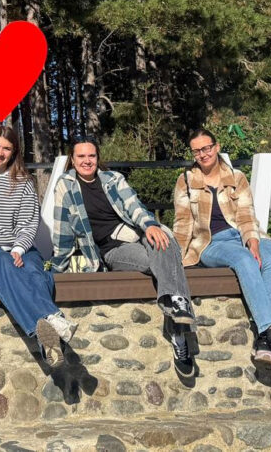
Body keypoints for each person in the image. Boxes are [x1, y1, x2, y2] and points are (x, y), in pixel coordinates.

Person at [51, 138, 197, 378]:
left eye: (91, 156)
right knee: (160, 261)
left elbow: (134, 206)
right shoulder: (65, 186)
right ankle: (179, 331)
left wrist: (150, 225)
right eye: (81, 156)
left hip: (137, 234)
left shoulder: (113, 179)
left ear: (98, 158)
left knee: (164, 239)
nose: (87, 161)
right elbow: (62, 230)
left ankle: (178, 308)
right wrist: (56, 267)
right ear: (73, 160)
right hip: (114, 248)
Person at [173, 128, 271, 375]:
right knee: (244, 259)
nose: (202, 154)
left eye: (206, 148)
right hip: (210, 243)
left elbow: (246, 214)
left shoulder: (236, 177)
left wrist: (253, 241)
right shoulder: (185, 181)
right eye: (196, 151)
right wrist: (175, 257)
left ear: (216, 147)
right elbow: (183, 223)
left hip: (243, 235)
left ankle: (263, 341)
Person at [0, 125, 75, 368]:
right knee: (3, 263)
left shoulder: (23, 182)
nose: (0, 152)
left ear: (14, 152)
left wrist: (19, 249)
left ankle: (48, 344)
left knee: (35, 273)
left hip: (20, 248)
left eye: (6, 148)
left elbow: (29, 223)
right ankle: (54, 318)